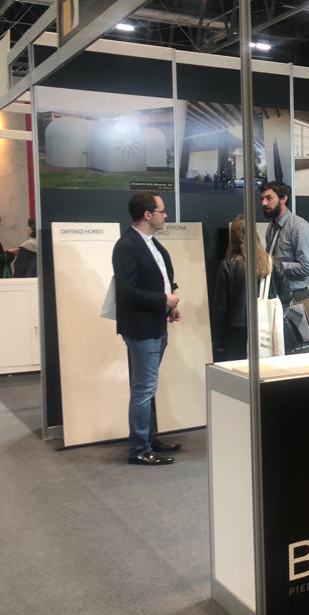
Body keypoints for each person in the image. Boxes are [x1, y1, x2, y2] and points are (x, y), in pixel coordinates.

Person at [112, 193, 182, 466]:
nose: (166, 215)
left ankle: (149, 439)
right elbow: (127, 292)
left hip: (155, 323)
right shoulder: (127, 246)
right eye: (162, 211)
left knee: (147, 388)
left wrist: (168, 306)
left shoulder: (151, 243)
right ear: (148, 214)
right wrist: (163, 300)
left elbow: (160, 279)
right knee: (143, 390)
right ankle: (139, 449)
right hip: (141, 328)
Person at [211, 214, 274, 362]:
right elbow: (283, 295)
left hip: (237, 330)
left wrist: (219, 340)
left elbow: (221, 307)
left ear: (233, 237)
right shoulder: (270, 263)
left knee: (239, 371)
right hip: (265, 327)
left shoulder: (228, 265)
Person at [261, 180, 309, 304]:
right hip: (276, 296)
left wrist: (275, 265)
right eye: (262, 199)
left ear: (283, 198)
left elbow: (306, 267)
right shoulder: (271, 227)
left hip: (295, 297)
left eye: (269, 198)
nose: (264, 203)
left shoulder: (299, 226)